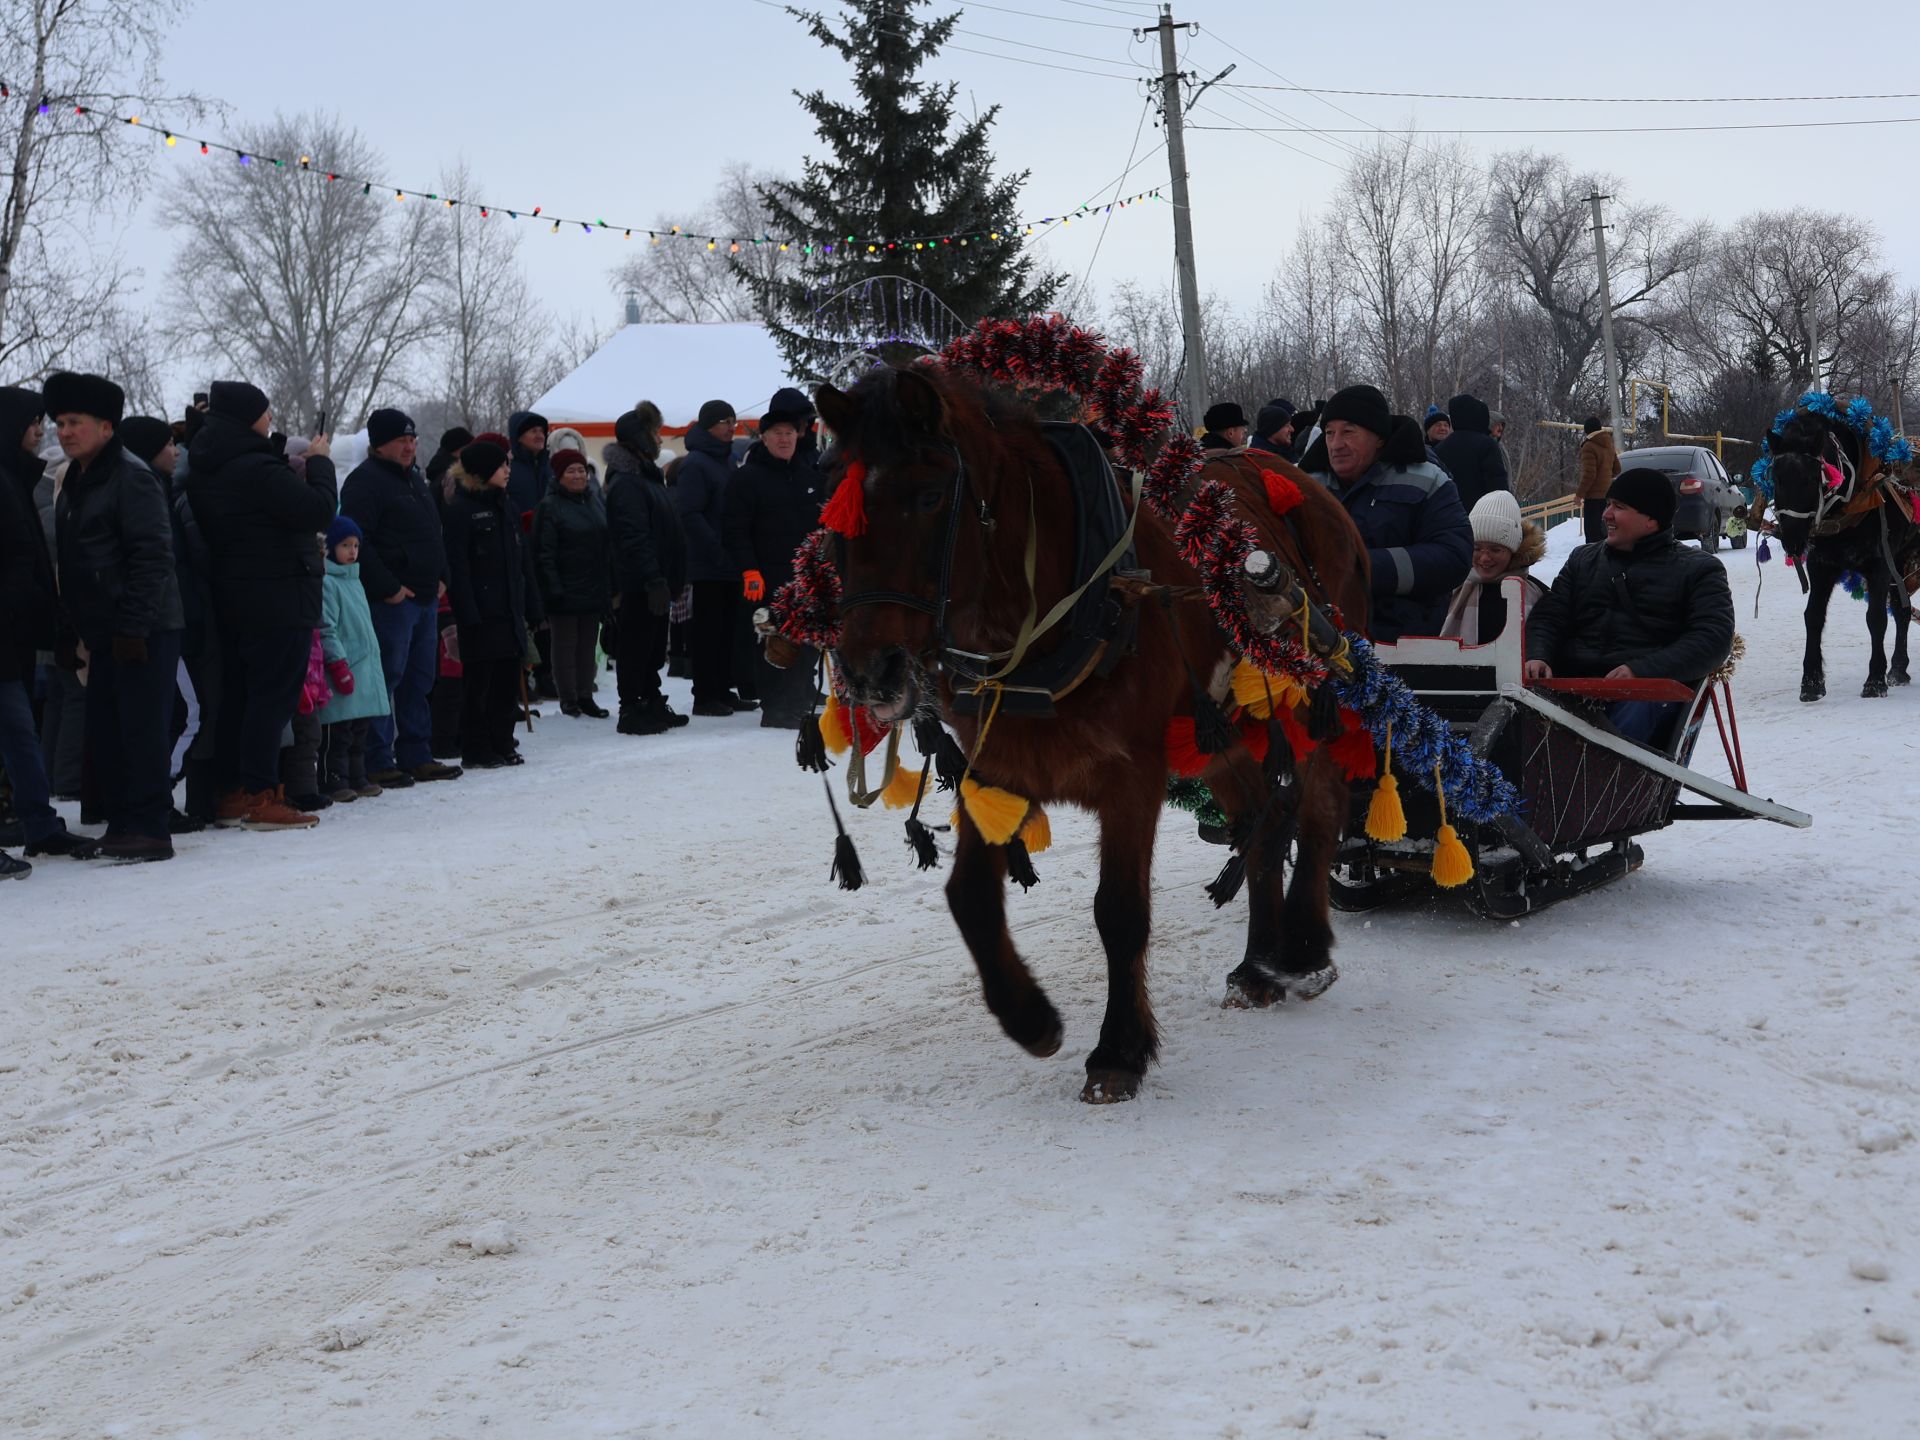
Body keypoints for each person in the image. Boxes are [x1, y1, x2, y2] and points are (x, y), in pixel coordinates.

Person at [185, 381, 337, 831]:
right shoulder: (255, 468)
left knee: (241, 696)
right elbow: (318, 510)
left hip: (236, 594)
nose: (271, 418)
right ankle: (260, 794)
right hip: (279, 594)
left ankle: (234, 791)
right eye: (265, 411)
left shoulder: (209, 463)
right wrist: (321, 464)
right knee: (273, 697)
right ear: (246, 417)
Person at [49, 372, 186, 861]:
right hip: (104, 630)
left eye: (75, 422)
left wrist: (133, 627)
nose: (64, 431)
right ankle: (125, 821)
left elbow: (153, 556)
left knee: (142, 729)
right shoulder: (78, 483)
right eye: (60, 422)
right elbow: (75, 563)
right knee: (109, 731)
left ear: (106, 427)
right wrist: (70, 628)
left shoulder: (132, 476)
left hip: (144, 627)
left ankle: (151, 828)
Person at [1524, 468, 1734, 745]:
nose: (1606, 514)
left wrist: (1641, 670)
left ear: (1651, 519)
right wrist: (1539, 655)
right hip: (1573, 684)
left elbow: (1713, 638)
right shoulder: (1583, 560)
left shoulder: (1699, 570)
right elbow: (1550, 615)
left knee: (1634, 712)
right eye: (1608, 504)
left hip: (1646, 693)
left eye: (1619, 507)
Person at [339, 407, 461, 788]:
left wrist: (444, 575)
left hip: (424, 597)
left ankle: (416, 752)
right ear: (379, 444)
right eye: (401, 440)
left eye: (412, 439)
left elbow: (433, 532)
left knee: (419, 679)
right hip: (393, 600)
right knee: (386, 678)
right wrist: (388, 587)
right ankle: (378, 757)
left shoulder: (414, 479)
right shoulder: (364, 483)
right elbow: (361, 542)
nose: (409, 446)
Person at [0, 384, 92, 867]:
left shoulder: (14, 478)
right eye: (33, 423)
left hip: (11, 635)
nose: (40, 432)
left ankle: (40, 825)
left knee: (19, 732)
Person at [1302, 383, 1472, 643]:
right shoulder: (1304, 486)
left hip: (1402, 643)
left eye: (1348, 432)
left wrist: (1362, 567)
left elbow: (1454, 556)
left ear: (1379, 436)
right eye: (1329, 433)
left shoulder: (1428, 479)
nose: (1336, 444)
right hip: (1316, 642)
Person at [724, 394, 828, 727]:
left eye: (789, 433)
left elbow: (823, 528)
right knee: (774, 643)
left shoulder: (811, 479)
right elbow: (734, 529)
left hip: (806, 578)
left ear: (799, 436)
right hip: (766, 578)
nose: (784, 439)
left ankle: (797, 700)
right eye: (777, 433)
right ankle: (776, 707)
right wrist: (748, 570)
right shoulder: (747, 479)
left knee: (808, 643)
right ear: (764, 438)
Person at [443, 439, 539, 767]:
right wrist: (468, 613)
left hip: (508, 610)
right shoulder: (461, 510)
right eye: (501, 466)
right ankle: (476, 747)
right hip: (481, 615)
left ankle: (502, 741)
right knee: (479, 687)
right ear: (484, 471)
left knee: (506, 685)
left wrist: (532, 605)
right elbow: (458, 567)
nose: (507, 471)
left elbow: (522, 562)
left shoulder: (508, 507)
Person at [604, 404, 690, 735]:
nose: (659, 437)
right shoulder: (627, 482)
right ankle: (632, 706)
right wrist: (653, 578)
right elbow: (633, 536)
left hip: (658, 579)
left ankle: (651, 697)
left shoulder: (647, 478)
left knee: (653, 645)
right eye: (654, 432)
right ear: (640, 438)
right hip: (640, 582)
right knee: (636, 643)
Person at [676, 398, 753, 718]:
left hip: (728, 563)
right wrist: (716, 550)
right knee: (708, 632)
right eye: (724, 422)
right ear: (708, 425)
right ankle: (705, 695)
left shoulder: (725, 459)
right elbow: (690, 513)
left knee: (726, 631)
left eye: (733, 421)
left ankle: (722, 689)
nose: (731, 427)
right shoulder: (696, 463)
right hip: (709, 564)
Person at [532, 446, 612, 718]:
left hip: (593, 585)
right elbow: (544, 552)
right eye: (571, 471)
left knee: (588, 645)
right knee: (565, 645)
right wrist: (552, 588)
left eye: (582, 470)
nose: (578, 476)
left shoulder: (593, 501)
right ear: (559, 475)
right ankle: (568, 698)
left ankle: (585, 694)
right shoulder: (550, 506)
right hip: (564, 588)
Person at [318, 516, 391, 801]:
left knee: (359, 728)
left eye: (356, 545)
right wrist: (337, 663)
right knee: (339, 731)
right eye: (345, 545)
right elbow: (327, 627)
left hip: (363, 667)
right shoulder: (329, 583)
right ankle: (332, 777)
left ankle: (356, 775)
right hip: (344, 667)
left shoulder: (355, 580)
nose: (352, 551)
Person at [1440, 491, 1547, 644]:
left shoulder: (1537, 594)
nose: (1484, 558)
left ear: (1514, 550)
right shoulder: (1449, 591)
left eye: (1496, 550)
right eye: (1477, 548)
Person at [1434, 393, 1510, 512]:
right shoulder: (1487, 444)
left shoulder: (1440, 448)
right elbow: (1497, 486)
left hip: (1450, 515)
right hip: (1483, 516)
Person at [1575, 415, 1621, 544]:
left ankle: (1594, 561)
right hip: (1607, 496)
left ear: (1586, 430)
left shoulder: (1589, 446)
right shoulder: (1609, 444)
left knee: (1592, 534)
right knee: (1603, 532)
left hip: (1593, 497)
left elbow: (1589, 475)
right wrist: (1605, 478)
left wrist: (1579, 495)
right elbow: (1617, 469)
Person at [504, 410, 551, 516]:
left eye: (542, 431)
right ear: (519, 437)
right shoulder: (507, 470)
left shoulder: (551, 467)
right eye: (533, 431)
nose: (540, 436)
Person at [424, 425, 472, 494]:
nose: (471, 453)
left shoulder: (440, 473)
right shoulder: (451, 480)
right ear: (457, 450)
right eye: (467, 448)